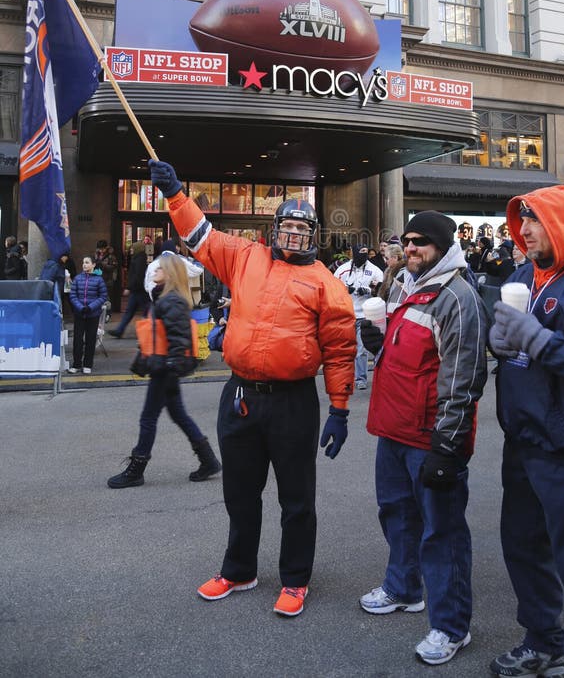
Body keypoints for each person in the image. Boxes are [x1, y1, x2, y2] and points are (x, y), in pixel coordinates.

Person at [149, 159, 356, 618]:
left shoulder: (327, 285)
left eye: (304, 229)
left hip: (293, 403)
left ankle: (296, 578)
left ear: (314, 235)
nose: (294, 237)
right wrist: (176, 194)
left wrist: (339, 409)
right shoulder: (245, 256)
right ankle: (239, 570)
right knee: (240, 492)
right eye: (289, 228)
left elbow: (341, 353)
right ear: (274, 229)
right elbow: (201, 235)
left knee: (296, 499)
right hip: (240, 395)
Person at [359, 211, 488, 666]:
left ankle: (452, 626)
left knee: (443, 533)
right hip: (393, 431)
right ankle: (403, 586)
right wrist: (378, 343)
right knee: (397, 516)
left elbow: (465, 378)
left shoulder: (457, 297)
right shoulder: (406, 285)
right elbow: (405, 353)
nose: (410, 248)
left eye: (420, 242)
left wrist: (448, 447)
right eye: (407, 241)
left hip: (430, 438)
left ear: (440, 245)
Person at [488, 186, 564, 678]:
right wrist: (500, 342)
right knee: (522, 547)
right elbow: (512, 347)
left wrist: (542, 341)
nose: (523, 231)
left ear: (563, 223)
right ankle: (546, 644)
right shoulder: (523, 274)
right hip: (522, 440)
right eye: (521, 221)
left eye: (535, 221)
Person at [108, 253, 221, 489]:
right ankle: (208, 460)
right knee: (179, 415)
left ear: (169, 274)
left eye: (158, 270)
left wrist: (167, 367)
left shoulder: (171, 300)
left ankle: (136, 469)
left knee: (148, 418)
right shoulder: (168, 298)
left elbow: (178, 339)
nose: (154, 272)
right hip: (166, 368)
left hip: (165, 369)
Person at [334, 244, 383, 390]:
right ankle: (345, 377)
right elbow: (332, 286)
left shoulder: (374, 270)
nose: (363, 255)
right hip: (346, 314)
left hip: (364, 315)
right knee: (346, 349)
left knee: (361, 350)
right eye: (360, 253)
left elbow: (381, 289)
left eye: (365, 253)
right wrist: (344, 289)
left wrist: (369, 290)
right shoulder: (342, 270)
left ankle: (360, 378)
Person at [67, 255, 108, 375]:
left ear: (93, 265)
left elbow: (103, 296)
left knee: (90, 340)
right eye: (83, 262)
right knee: (77, 340)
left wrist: (91, 307)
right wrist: (80, 307)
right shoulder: (77, 278)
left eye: (87, 262)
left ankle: (87, 364)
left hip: (93, 314)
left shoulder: (99, 280)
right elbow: (73, 295)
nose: (84, 265)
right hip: (80, 314)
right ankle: (76, 364)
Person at [108, 241, 149, 338]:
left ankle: (149, 330)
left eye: (132, 248)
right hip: (137, 290)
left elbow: (138, 276)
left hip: (139, 290)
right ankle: (120, 330)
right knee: (131, 311)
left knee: (145, 312)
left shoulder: (140, 259)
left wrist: (129, 287)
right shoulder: (138, 258)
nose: (130, 250)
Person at [95, 240, 119, 309]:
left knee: (106, 298)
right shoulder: (96, 255)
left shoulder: (111, 256)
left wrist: (103, 265)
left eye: (103, 249)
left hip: (108, 280)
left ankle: (107, 313)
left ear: (106, 248)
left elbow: (114, 267)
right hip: (98, 279)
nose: (101, 251)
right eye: (99, 249)